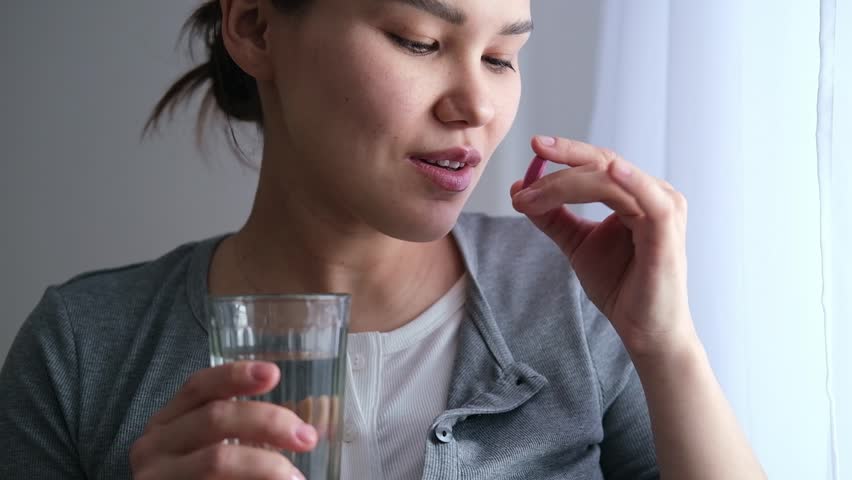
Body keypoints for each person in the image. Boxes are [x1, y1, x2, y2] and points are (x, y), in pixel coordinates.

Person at [0, 0, 767, 479]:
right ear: (257, 27)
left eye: (503, 56)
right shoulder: (82, 345)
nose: (476, 104)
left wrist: (666, 347)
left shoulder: (572, 297)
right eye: (420, 40)